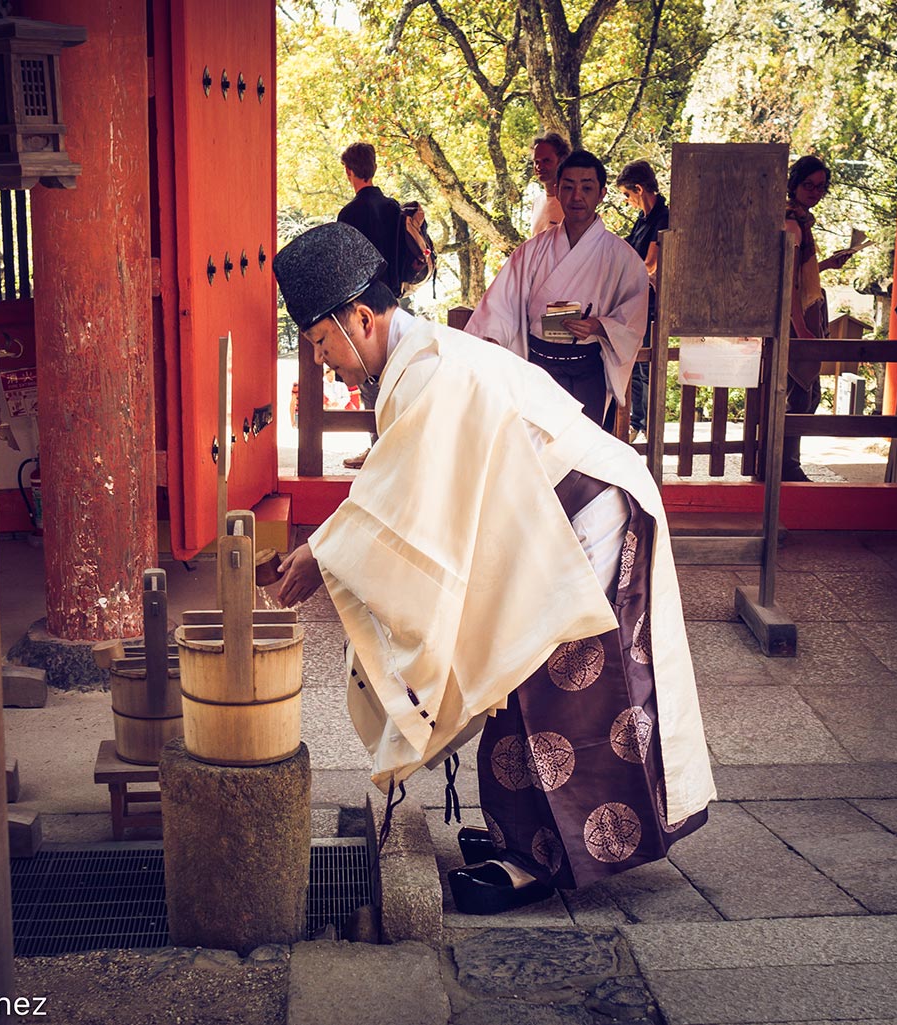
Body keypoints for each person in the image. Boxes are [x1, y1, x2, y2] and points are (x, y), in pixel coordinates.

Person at [272, 222, 714, 914]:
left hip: (586, 517)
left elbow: (392, 506)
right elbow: (398, 496)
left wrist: (323, 553)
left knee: (555, 688)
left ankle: (541, 859)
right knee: (515, 677)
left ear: (360, 317)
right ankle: (527, 838)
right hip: (549, 518)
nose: (323, 360)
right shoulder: (417, 364)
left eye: (323, 342)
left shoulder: (430, 372)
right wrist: (327, 551)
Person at [464, 150, 650, 430]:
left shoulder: (622, 258)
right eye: (568, 187)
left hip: (587, 369)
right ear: (558, 191)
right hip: (538, 368)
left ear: (601, 193)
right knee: (536, 450)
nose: (577, 196)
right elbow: (501, 305)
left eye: (587, 187)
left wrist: (599, 326)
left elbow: (633, 318)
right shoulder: (532, 252)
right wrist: (488, 342)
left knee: (582, 452)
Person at [781, 156, 853, 482]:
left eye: (821, 186)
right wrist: (800, 326)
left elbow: (799, 273)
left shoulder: (800, 222)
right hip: (795, 324)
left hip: (799, 321)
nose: (815, 192)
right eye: (809, 185)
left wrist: (824, 266)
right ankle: (785, 466)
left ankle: (784, 462)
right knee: (800, 394)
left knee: (804, 393)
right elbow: (787, 283)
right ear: (794, 184)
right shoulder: (792, 223)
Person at [336, 142, 403, 470]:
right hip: (391, 303)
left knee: (368, 376)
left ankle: (377, 447)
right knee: (393, 373)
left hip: (361, 305)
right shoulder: (393, 208)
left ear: (350, 171)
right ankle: (390, 445)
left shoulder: (349, 214)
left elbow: (344, 265)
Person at [615, 161, 669, 444]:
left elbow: (650, 263)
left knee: (647, 368)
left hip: (653, 304)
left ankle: (649, 425)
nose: (627, 201)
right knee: (635, 365)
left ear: (639, 188)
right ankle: (636, 423)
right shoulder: (642, 220)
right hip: (634, 302)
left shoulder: (663, 217)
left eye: (627, 195)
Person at [529, 132, 571, 236]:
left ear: (561, 160)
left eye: (546, 161)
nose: (539, 167)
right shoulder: (537, 203)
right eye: (536, 162)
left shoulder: (573, 203)